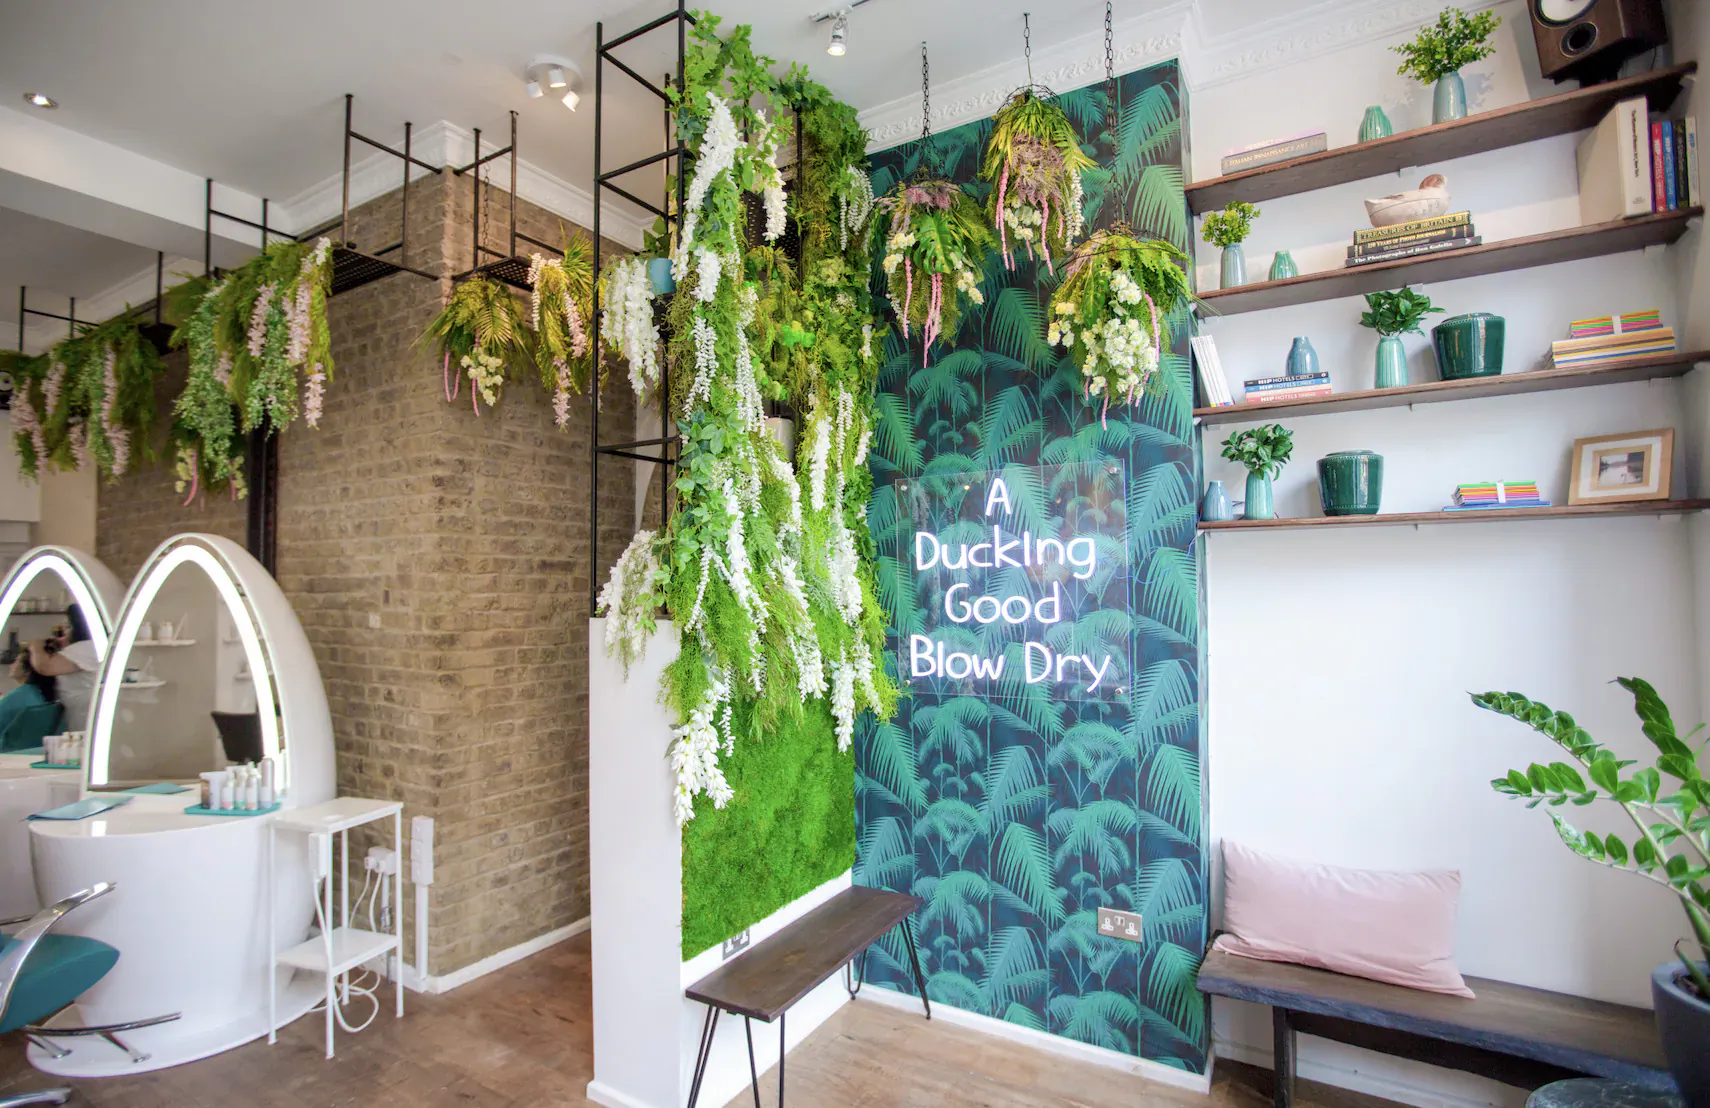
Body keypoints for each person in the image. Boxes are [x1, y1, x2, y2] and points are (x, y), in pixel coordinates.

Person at [28, 603, 98, 731]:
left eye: (68, 627)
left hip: (87, 720)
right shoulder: (91, 648)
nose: (64, 632)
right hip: (83, 718)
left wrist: (35, 646)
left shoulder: (87, 648)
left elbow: (44, 667)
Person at [0, 651, 57, 740]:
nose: (10, 665)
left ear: (27, 671)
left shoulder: (14, 698)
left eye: (16, 661)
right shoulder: (43, 696)